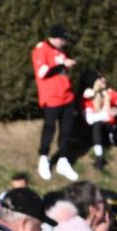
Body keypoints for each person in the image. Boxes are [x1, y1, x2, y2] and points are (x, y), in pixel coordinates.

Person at [32, 26, 82, 183]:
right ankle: (43, 158)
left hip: (67, 97)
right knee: (49, 128)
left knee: (66, 131)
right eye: (63, 39)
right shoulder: (41, 49)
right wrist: (63, 65)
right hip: (51, 98)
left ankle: (63, 160)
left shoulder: (61, 52)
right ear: (57, 38)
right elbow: (42, 72)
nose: (65, 43)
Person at [83, 74, 117, 170]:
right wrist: (107, 113)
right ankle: (99, 158)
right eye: (100, 79)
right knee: (97, 124)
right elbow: (89, 118)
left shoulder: (109, 94)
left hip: (112, 128)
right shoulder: (88, 98)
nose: (104, 81)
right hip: (97, 131)